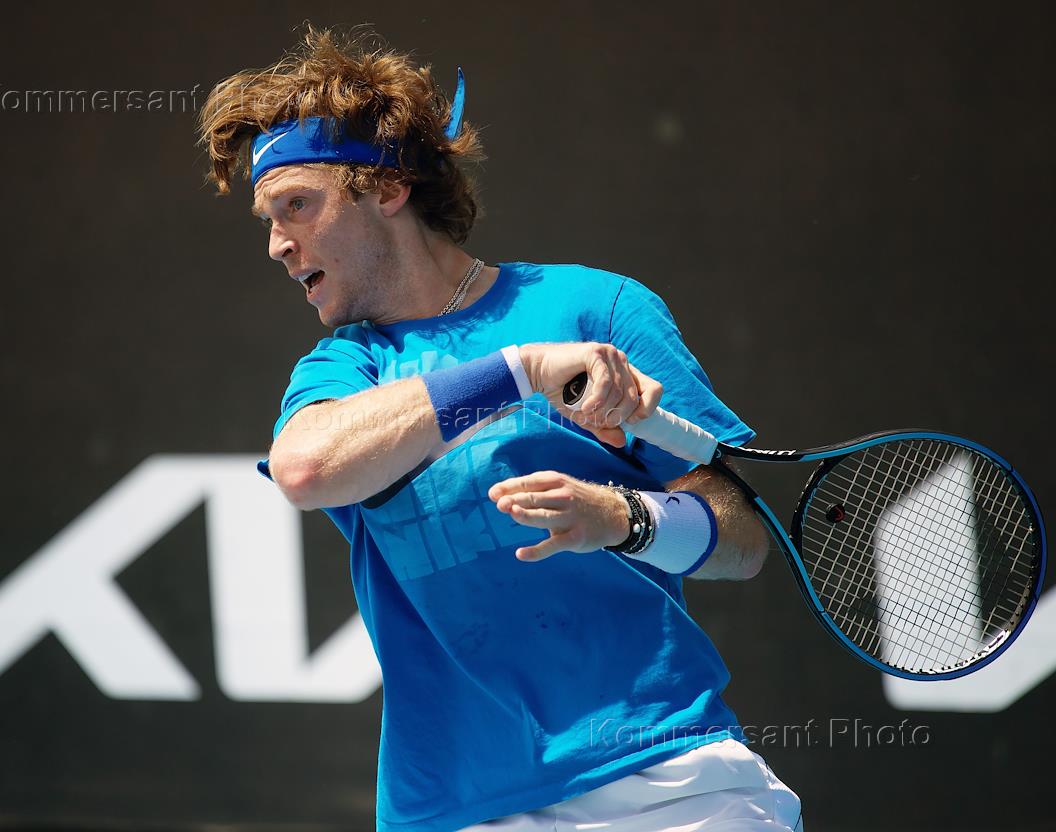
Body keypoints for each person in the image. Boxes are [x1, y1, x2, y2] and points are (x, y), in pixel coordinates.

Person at [198, 25, 803, 832]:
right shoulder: (342, 369)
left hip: (665, 780)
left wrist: (621, 518)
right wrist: (519, 372)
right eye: (267, 220)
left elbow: (742, 538)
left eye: (297, 206)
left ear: (388, 188)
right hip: (449, 808)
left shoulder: (598, 307)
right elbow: (306, 468)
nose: (278, 245)